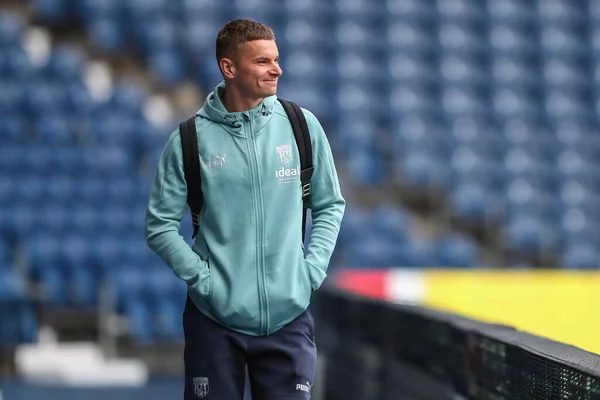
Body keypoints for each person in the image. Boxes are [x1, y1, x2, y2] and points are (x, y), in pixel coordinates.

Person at [145, 19, 345, 399]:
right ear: (229, 68)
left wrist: (311, 271)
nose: (277, 69)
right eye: (263, 62)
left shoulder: (303, 126)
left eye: (277, 59)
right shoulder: (189, 140)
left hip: (289, 318)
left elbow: (330, 204)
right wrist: (206, 283)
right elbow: (159, 226)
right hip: (214, 322)